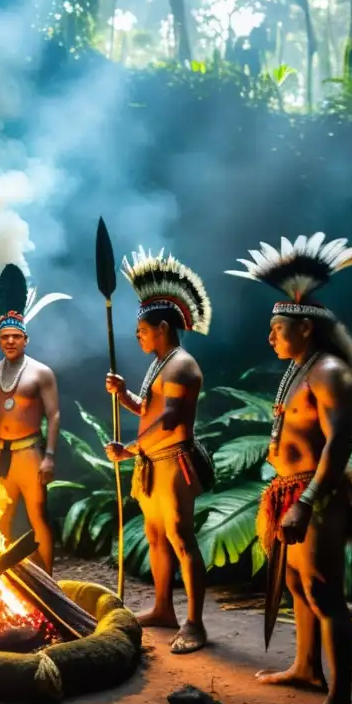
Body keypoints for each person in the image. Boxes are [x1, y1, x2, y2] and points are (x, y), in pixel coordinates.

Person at [225, 232, 352, 704]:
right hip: (289, 490)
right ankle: (308, 668)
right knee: (296, 583)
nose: (269, 337)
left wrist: (308, 500)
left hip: (317, 493)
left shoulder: (329, 371)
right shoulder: (299, 369)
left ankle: (341, 702)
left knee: (323, 590)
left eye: (277, 329)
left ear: (305, 331)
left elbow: (338, 444)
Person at [103, 246, 215, 654]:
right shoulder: (161, 362)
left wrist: (130, 449)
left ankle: (196, 623)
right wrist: (125, 397)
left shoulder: (182, 365)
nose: (138, 338)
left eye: (142, 332)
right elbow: (150, 410)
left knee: (181, 539)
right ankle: (164, 608)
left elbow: (168, 422)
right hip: (153, 464)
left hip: (172, 463)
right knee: (155, 538)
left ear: (163, 327)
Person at [0, 264, 71, 574]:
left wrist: (50, 457)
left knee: (38, 515)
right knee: (1, 517)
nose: (10, 341)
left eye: (15, 336)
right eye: (5, 337)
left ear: (25, 338)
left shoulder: (41, 373)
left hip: (30, 453)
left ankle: (49, 580)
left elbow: (53, 415)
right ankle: (1, 581)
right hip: (2, 454)